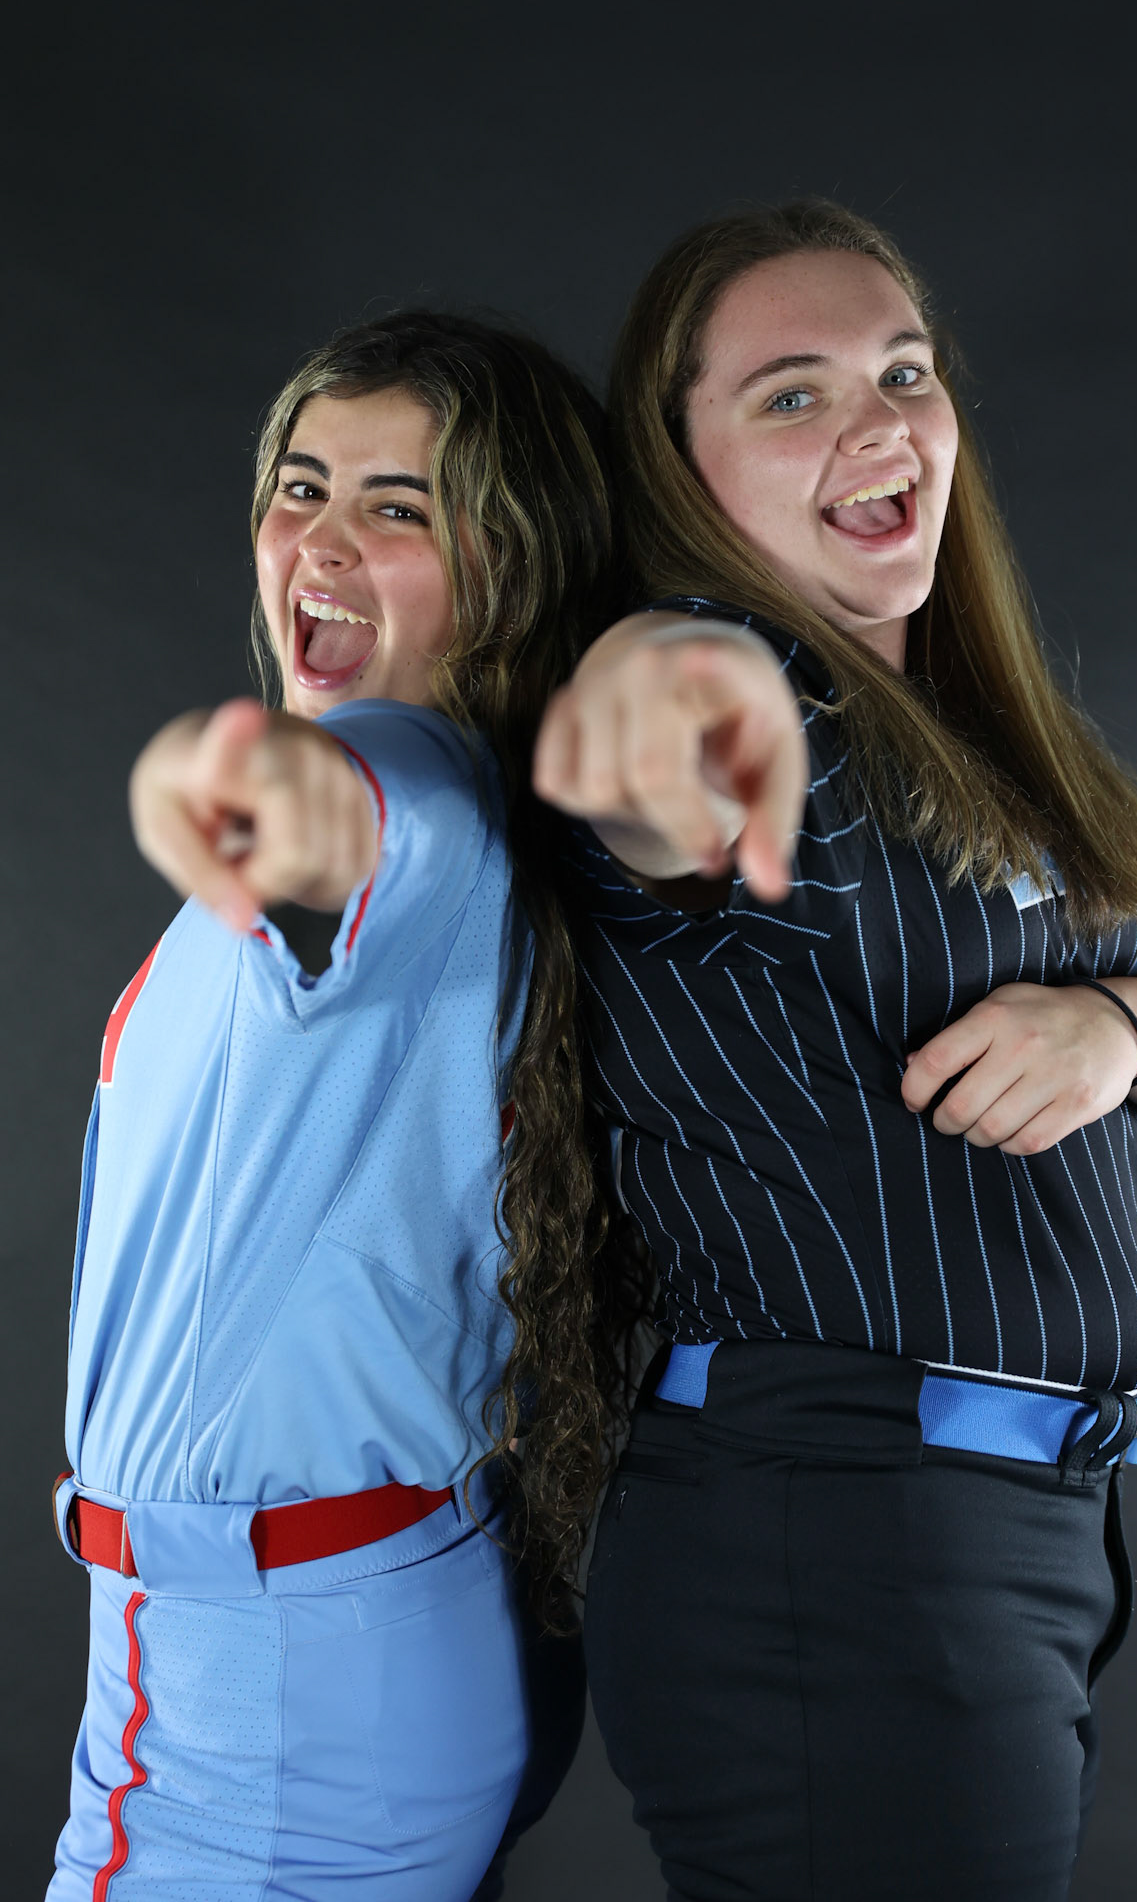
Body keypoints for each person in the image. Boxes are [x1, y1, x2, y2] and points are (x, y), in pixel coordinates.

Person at [535, 200, 1137, 1902]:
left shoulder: (998, 743)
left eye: (903, 371)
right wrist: (650, 695)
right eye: (790, 396)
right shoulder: (729, 682)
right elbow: (641, 728)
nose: (880, 423)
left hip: (1014, 1537)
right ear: (683, 469)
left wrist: (1116, 1024)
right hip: (833, 1528)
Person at [49, 311, 640, 1899]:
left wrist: (252, 784)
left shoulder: (419, 787)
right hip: (254, 1665)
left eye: (400, 508)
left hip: (279, 1709)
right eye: (301, 488)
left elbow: (347, 816)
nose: (320, 542)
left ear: (511, 569)